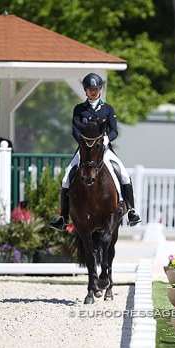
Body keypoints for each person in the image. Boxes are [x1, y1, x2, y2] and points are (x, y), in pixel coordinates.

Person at [50, 72, 141, 231]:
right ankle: (63, 217)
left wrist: (107, 139)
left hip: (103, 150)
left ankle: (132, 210)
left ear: (100, 89)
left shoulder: (107, 109)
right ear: (85, 90)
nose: (93, 91)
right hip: (84, 150)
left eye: (96, 88)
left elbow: (114, 130)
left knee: (124, 175)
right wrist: (84, 143)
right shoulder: (79, 109)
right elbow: (74, 130)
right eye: (90, 89)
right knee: (66, 178)